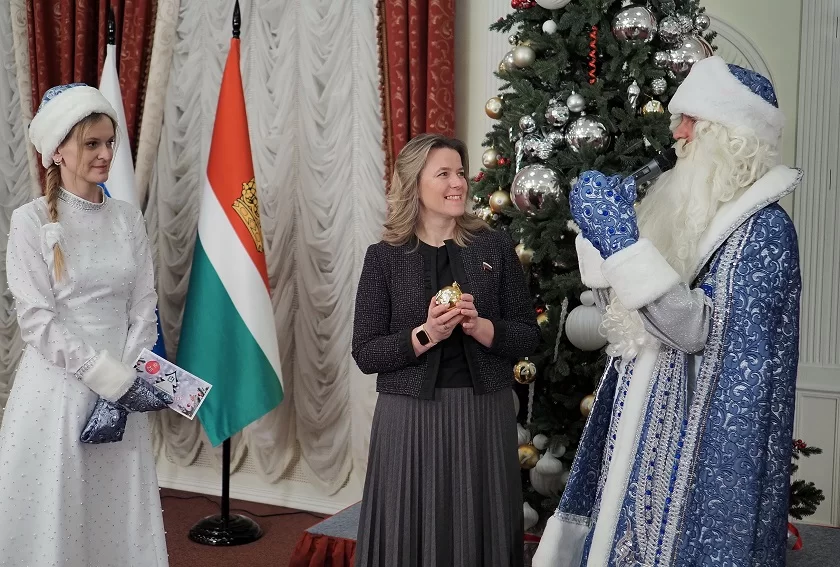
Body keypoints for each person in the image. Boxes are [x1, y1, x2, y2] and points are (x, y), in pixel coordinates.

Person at [533, 56, 801, 567]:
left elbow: (698, 331)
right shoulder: (694, 211)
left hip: (694, 453)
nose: (677, 133)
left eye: (690, 120)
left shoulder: (763, 230)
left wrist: (622, 241)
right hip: (642, 427)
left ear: (729, 134)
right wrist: (602, 245)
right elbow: (632, 322)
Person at [0, 83, 170, 565]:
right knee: (58, 509)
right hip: (59, 391)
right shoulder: (30, 221)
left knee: (115, 508)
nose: (105, 154)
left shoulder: (128, 218)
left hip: (121, 389)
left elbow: (144, 305)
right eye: (91, 143)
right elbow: (38, 321)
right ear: (58, 151)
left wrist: (127, 375)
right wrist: (105, 376)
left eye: (109, 142)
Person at [352, 133, 541, 566]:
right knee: (408, 529)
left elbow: (528, 336)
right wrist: (427, 335)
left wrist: (482, 328)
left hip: (484, 413)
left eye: (460, 172)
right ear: (414, 184)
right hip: (409, 418)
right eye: (443, 174)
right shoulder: (383, 257)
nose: (458, 183)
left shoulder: (494, 247)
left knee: (481, 527)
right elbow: (365, 352)